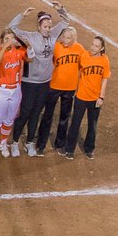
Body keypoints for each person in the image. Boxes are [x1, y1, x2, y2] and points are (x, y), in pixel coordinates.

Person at [7, 3, 71, 157]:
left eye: (49, 26)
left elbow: (65, 21)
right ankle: (15, 142)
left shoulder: (54, 34)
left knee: (36, 113)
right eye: (45, 26)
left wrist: (60, 9)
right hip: (29, 82)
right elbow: (12, 28)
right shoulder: (30, 36)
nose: (48, 29)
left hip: (44, 82)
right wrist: (23, 15)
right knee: (26, 111)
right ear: (39, 26)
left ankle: (29, 142)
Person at [64, 36, 110, 160]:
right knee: (75, 124)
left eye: (96, 46)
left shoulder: (104, 60)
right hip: (81, 97)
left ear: (102, 48)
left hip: (95, 98)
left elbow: (105, 79)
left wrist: (102, 97)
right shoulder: (84, 56)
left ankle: (89, 149)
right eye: (92, 44)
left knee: (92, 125)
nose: (93, 47)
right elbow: (76, 72)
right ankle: (69, 149)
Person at [0, 29, 26, 166]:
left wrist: (23, 43)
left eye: (12, 38)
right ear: (2, 40)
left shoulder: (19, 51)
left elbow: (30, 58)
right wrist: (5, 46)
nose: (10, 41)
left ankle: (3, 143)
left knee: (9, 120)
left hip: (15, 90)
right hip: (0, 90)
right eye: (6, 38)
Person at [40, 27, 82, 155]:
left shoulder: (79, 49)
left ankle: (60, 144)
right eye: (63, 37)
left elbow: (83, 65)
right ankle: (40, 144)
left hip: (69, 89)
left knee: (64, 117)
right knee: (47, 115)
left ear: (73, 38)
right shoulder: (56, 47)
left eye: (68, 38)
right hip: (54, 86)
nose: (65, 40)